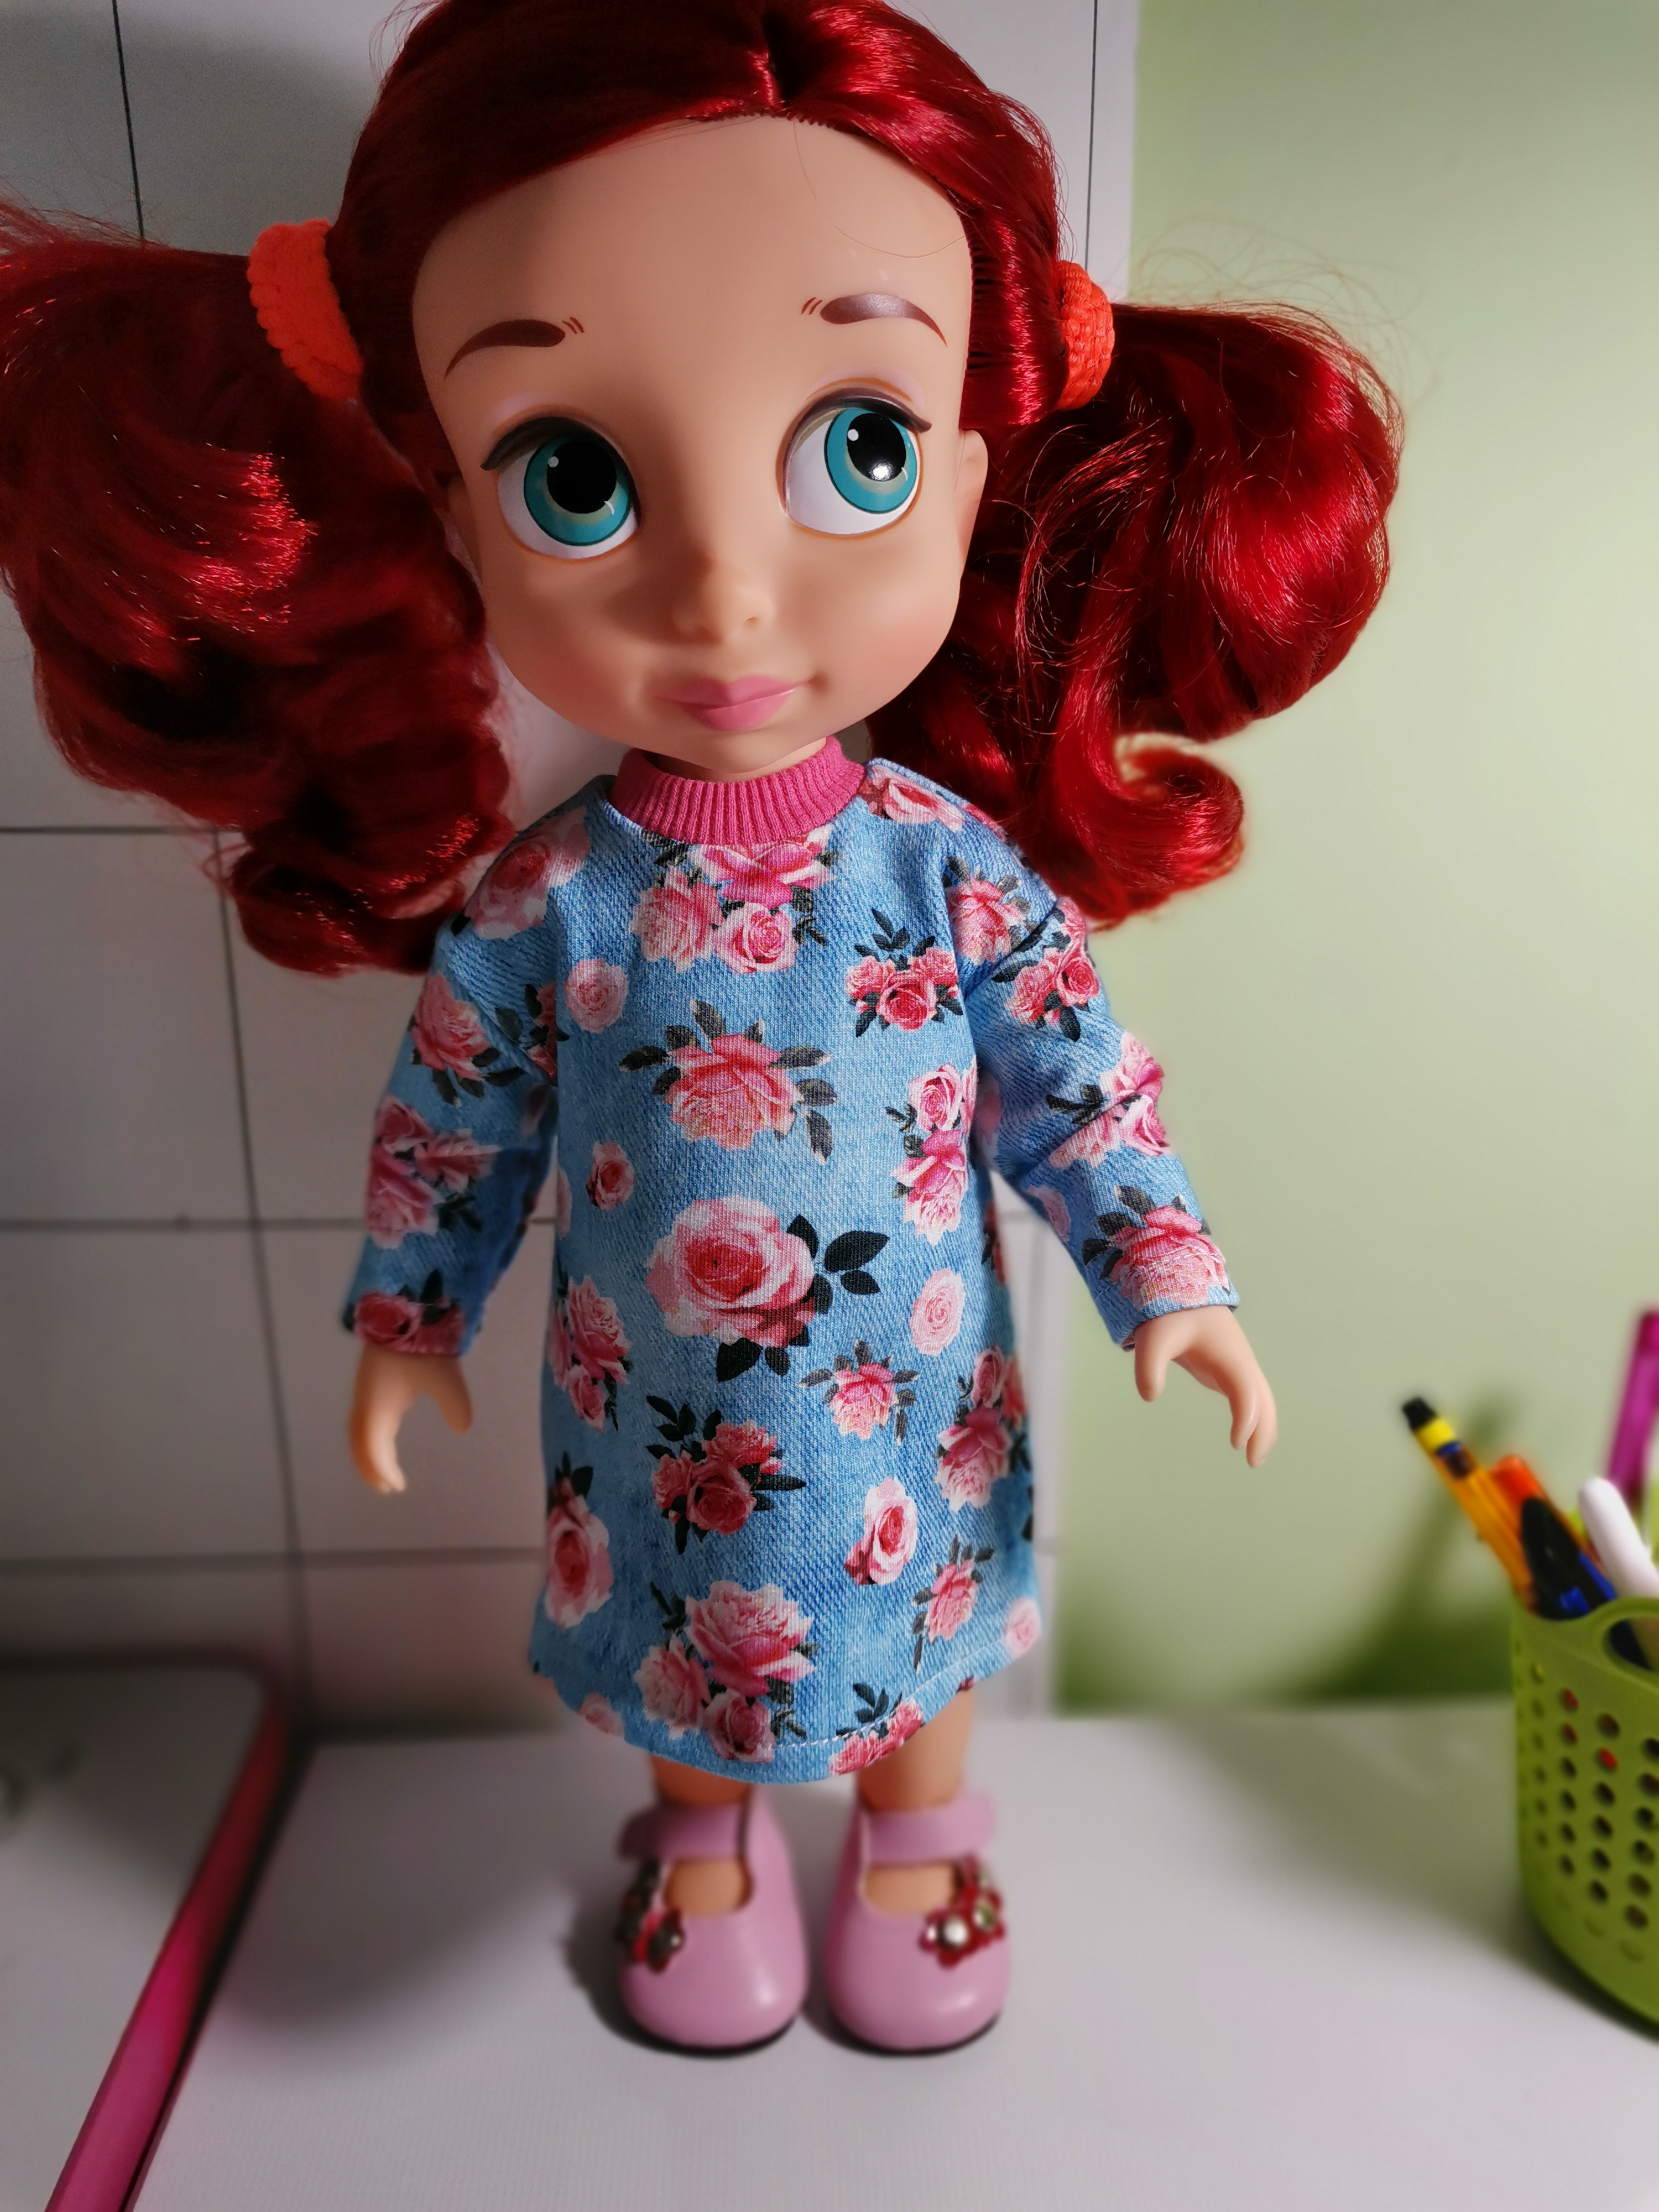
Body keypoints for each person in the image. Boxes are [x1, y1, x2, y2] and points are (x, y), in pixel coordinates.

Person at [0, 0, 1399, 2053]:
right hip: (657, 1418)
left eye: (859, 450)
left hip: (919, 1399)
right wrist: (411, 1315)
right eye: (574, 478)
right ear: (453, 511)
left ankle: (918, 1844)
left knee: (920, 1639)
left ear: (969, 478)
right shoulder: (550, 900)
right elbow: (458, 1117)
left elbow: (1076, 1082)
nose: (728, 593)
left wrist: (1166, 1277)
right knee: (683, 1640)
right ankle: (707, 1845)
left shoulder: (945, 871)